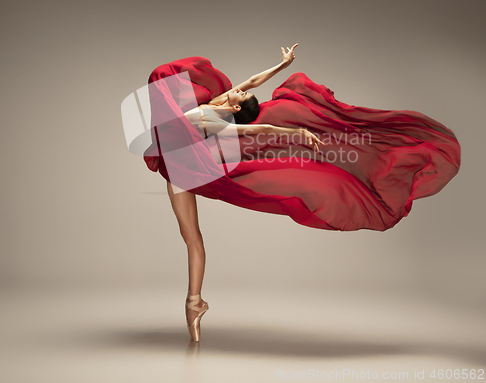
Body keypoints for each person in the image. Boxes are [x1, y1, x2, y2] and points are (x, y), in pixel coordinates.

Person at [143, 44, 460, 342]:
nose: (239, 88)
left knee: (195, 240)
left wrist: (296, 132)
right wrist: (282, 64)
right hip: (179, 168)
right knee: (192, 240)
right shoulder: (217, 102)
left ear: (235, 107)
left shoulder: (215, 119)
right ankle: (196, 305)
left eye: (239, 93)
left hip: (186, 169)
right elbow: (254, 81)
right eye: (239, 90)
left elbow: (260, 129)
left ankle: (192, 302)